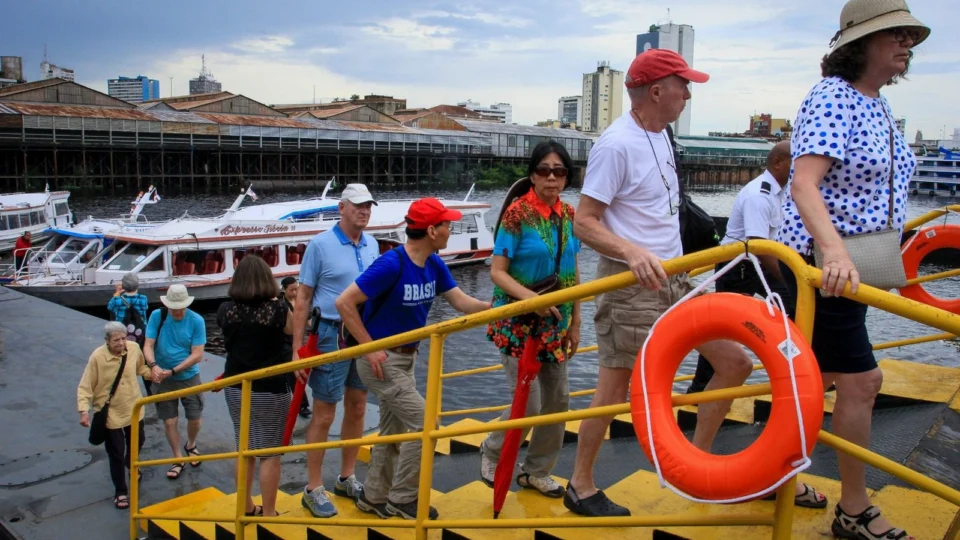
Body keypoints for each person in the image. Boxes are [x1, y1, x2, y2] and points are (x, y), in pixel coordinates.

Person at [566, 49, 755, 517]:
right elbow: (584, 222)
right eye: (683, 84)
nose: (688, 93)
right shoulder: (617, 144)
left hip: (676, 276)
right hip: (631, 280)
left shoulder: (662, 135)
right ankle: (580, 484)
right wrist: (631, 251)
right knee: (614, 387)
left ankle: (698, 463)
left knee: (734, 364)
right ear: (656, 91)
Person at [777, 1, 927, 537]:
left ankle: (783, 477)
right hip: (824, 272)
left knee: (809, 379)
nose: (906, 42)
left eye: (910, 35)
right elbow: (803, 183)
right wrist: (835, 251)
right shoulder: (833, 97)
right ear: (859, 44)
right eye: (895, 34)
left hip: (859, 267)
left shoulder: (878, 105)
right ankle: (854, 507)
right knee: (863, 382)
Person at [337, 197, 491, 521]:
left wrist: (499, 308)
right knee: (425, 424)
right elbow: (344, 303)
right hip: (380, 360)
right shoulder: (392, 264)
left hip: (406, 358)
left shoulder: (434, 264)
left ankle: (374, 496)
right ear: (432, 230)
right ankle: (403, 498)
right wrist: (368, 347)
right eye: (447, 224)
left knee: (395, 431)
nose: (451, 229)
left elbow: (461, 302)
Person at [480, 141, 581, 499]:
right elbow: (497, 272)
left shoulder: (569, 215)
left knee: (559, 401)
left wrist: (576, 322)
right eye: (544, 170)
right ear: (532, 174)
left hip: (556, 323)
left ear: (567, 176)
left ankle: (536, 470)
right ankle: (492, 449)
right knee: (530, 402)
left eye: (559, 171)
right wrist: (530, 301)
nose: (551, 177)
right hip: (520, 323)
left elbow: (572, 271)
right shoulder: (516, 215)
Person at [292, 183, 380, 518]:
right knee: (325, 411)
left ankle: (346, 477)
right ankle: (313, 487)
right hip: (329, 331)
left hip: (361, 332)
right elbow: (302, 299)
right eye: (358, 205)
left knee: (357, 407)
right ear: (341, 207)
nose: (364, 211)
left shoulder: (371, 243)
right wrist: (298, 349)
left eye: (368, 206)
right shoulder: (320, 245)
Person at [687, 142, 797, 392]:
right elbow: (757, 243)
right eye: (796, 159)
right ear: (778, 162)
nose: (801, 166)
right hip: (741, 265)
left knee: (795, 310)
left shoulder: (781, 192)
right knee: (727, 325)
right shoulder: (759, 195)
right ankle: (700, 387)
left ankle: (801, 373)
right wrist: (789, 277)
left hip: (758, 263)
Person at [217, 256, 296, 517]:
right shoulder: (278, 310)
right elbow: (295, 332)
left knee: (245, 448)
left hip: (235, 385)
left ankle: (247, 507)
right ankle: (269, 512)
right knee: (270, 453)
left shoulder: (225, 310)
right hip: (270, 387)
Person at [77, 321, 153, 510]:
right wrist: (83, 410)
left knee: (138, 441)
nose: (121, 343)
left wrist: (153, 373)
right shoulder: (97, 357)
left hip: (134, 407)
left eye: (123, 338)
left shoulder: (134, 348)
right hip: (111, 413)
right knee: (116, 453)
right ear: (107, 341)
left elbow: (140, 369)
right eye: (116, 340)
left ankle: (131, 462)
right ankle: (120, 491)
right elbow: (86, 385)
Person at [143, 284, 207, 481]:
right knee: (169, 420)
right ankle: (178, 457)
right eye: (173, 308)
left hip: (187, 376)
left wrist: (173, 371)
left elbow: (197, 354)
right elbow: (148, 344)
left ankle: (191, 444)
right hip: (163, 377)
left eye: (180, 307)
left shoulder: (196, 320)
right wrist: (153, 366)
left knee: (194, 418)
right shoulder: (157, 316)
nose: (177, 311)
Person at [108, 273, 151, 393]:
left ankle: (122, 388)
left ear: (123, 285)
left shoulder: (116, 300)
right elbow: (145, 309)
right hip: (141, 335)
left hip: (122, 335)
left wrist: (117, 293)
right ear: (137, 285)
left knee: (122, 361)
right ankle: (150, 389)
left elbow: (110, 307)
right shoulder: (143, 298)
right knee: (144, 362)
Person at [280, 276, 311, 419]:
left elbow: (309, 319)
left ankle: (300, 403)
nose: (294, 292)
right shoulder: (281, 305)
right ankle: (302, 404)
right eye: (291, 290)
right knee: (293, 374)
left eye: (296, 289)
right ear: (284, 290)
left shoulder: (301, 302)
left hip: (298, 340)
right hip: (284, 342)